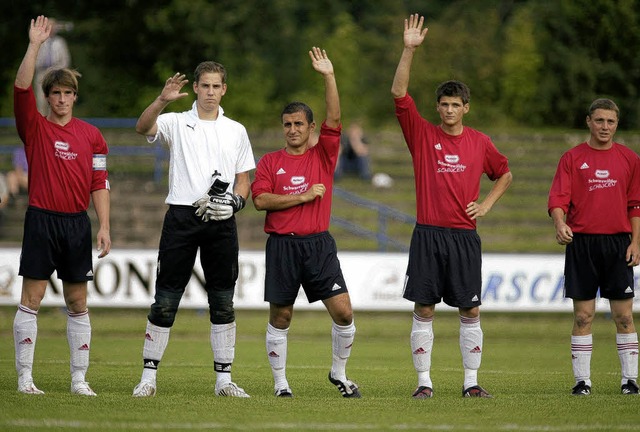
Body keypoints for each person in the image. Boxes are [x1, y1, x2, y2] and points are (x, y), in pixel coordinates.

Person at [391, 14, 512, 399]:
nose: (447, 110)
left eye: (455, 104)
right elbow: (398, 94)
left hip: (463, 237)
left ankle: (470, 383)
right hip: (428, 234)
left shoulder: (480, 142)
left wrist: (487, 204)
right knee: (424, 310)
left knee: (470, 312)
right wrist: (408, 50)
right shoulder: (423, 135)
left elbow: (504, 173)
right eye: (443, 104)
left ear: (466, 108)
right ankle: (424, 383)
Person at [132, 61, 255, 398]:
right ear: (196, 88)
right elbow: (143, 127)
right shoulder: (175, 121)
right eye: (205, 86)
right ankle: (148, 377)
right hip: (182, 218)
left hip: (221, 220)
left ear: (224, 89)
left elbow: (244, 180)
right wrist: (162, 100)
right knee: (165, 299)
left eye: (216, 86)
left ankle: (224, 380)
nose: (211, 92)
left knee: (223, 301)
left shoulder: (236, 130)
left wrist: (234, 203)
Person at [251, 47, 360, 398]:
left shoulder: (323, 154)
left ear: (312, 128)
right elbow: (260, 200)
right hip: (283, 245)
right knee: (281, 316)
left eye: (299, 124)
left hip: (318, 245)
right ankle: (281, 382)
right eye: (288, 124)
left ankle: (339, 373)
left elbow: (335, 117)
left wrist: (329, 76)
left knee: (343, 312)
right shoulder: (269, 161)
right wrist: (301, 197)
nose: (293, 129)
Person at [12, 15, 111, 396]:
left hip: (75, 224)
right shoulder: (34, 127)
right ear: (48, 96)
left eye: (68, 93)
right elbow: (21, 88)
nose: (62, 99)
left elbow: (99, 183)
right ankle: (24, 378)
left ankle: (78, 379)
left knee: (77, 300)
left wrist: (103, 226)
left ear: (74, 96)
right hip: (41, 220)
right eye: (55, 93)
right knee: (31, 299)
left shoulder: (93, 137)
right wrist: (35, 45)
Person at [548, 98, 640, 396]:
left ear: (616, 124)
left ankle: (629, 381)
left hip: (618, 244)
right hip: (582, 244)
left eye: (610, 122)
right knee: (583, 316)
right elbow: (558, 201)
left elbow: (635, 205)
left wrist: (636, 242)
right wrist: (560, 223)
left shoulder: (630, 159)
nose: (604, 127)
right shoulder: (572, 158)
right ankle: (582, 382)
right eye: (599, 120)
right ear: (588, 121)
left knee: (624, 316)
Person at [34, 17, 71, 115]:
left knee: (55, 101)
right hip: (41, 75)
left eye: (53, 26)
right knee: (41, 102)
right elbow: (34, 59)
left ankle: (53, 126)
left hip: (56, 75)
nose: (51, 28)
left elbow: (65, 61)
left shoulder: (61, 42)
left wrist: (56, 70)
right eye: (49, 26)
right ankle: (41, 126)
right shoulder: (39, 41)